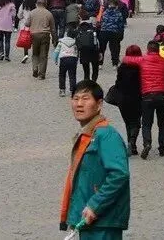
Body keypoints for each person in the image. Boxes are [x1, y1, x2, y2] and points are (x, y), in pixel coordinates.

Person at [60, 80, 131, 239]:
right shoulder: (89, 135)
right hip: (89, 221)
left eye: (85, 99)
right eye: (76, 98)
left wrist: (95, 205)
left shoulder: (106, 135)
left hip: (102, 222)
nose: (79, 104)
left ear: (99, 104)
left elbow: (119, 174)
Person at [113, 45, 143, 156]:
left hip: (123, 98)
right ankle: (132, 142)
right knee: (136, 122)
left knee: (128, 122)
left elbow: (118, 83)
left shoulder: (122, 67)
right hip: (137, 97)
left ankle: (131, 144)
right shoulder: (141, 67)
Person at [28, 0, 58, 80]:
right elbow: (53, 28)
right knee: (44, 55)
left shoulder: (32, 12)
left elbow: (27, 23)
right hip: (45, 35)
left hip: (34, 35)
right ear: (45, 4)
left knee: (35, 53)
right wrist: (54, 39)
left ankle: (35, 68)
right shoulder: (49, 13)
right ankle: (41, 74)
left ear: (37, 3)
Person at [98, 0, 127, 68]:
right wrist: (121, 33)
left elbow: (101, 22)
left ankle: (100, 63)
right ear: (116, 6)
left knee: (102, 48)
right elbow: (121, 25)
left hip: (104, 32)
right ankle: (115, 64)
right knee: (114, 49)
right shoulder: (118, 13)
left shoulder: (104, 13)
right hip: (114, 32)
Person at [55, 23, 80, 97]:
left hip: (63, 59)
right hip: (72, 59)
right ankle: (73, 90)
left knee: (62, 74)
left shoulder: (61, 41)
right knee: (72, 75)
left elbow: (56, 51)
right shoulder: (75, 42)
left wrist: (55, 59)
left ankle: (62, 90)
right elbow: (77, 51)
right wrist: (77, 59)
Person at [76, 10, 100, 82]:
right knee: (95, 68)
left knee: (86, 71)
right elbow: (99, 39)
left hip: (83, 51)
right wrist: (100, 51)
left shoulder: (79, 28)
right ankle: (94, 81)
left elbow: (76, 41)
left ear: (80, 18)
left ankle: (87, 83)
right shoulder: (93, 27)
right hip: (94, 50)